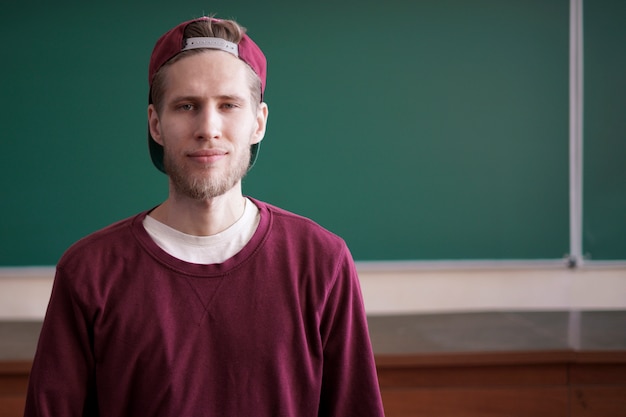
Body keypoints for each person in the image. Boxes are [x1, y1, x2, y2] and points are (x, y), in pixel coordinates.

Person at [24, 15, 385, 417]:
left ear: (258, 123)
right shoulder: (89, 272)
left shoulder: (322, 262)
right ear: (156, 125)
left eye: (228, 105)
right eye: (186, 106)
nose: (208, 128)